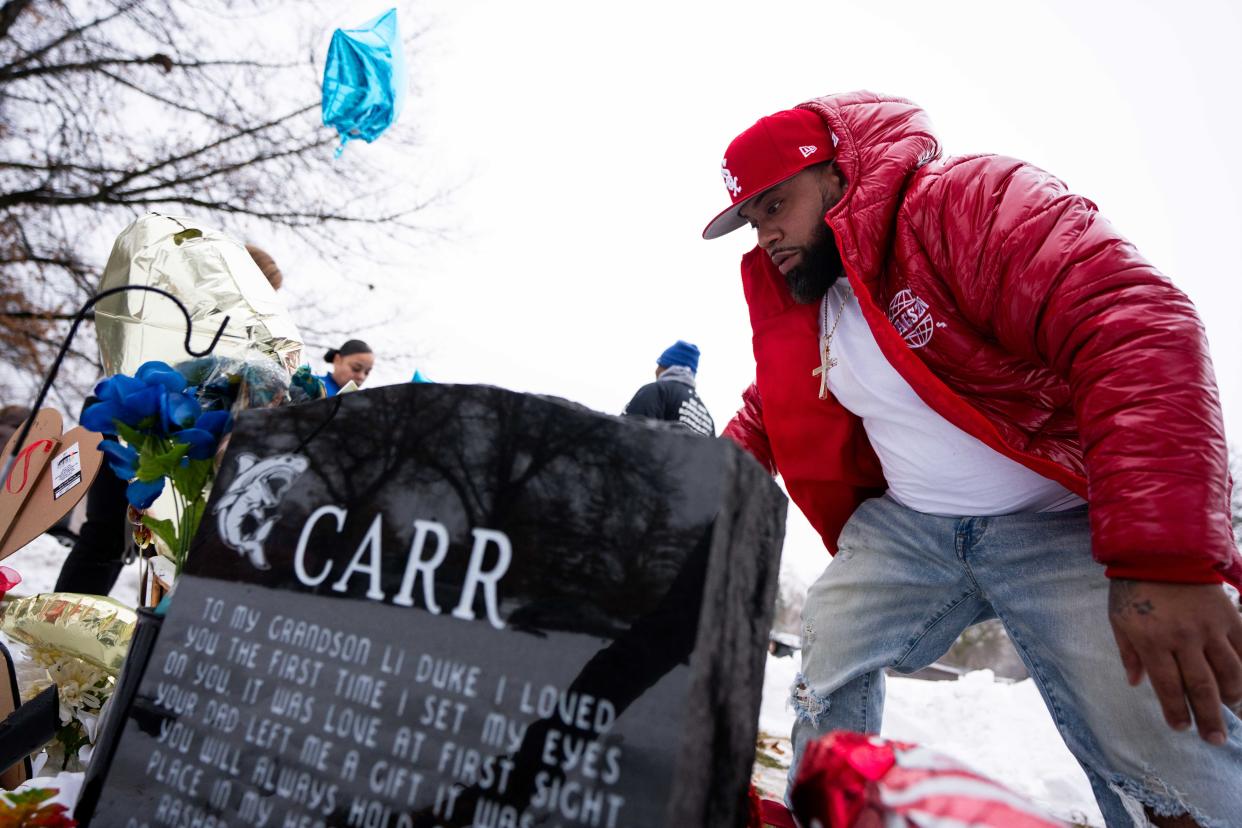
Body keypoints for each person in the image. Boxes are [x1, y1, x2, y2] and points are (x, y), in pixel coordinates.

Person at [705, 92, 1242, 827]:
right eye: (753, 218)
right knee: (830, 644)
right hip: (911, 530)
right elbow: (773, 406)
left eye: (777, 204)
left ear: (834, 174)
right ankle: (825, 810)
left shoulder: (964, 203)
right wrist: (692, 485)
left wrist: (1166, 560)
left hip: (1053, 522)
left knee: (1161, 734)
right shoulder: (818, 298)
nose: (766, 232)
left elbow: (1131, 322)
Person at [622, 340, 715, 436]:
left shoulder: (657, 391)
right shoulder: (707, 420)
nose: (656, 371)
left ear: (665, 366)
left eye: (659, 364)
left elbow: (627, 434)